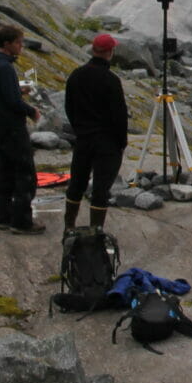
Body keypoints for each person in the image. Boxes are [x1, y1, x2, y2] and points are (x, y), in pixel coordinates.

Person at [0, 21, 42, 234]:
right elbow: (12, 101)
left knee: (4, 170)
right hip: (11, 125)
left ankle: (3, 217)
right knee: (24, 172)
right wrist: (31, 111)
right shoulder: (4, 66)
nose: (21, 46)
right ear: (7, 43)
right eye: (18, 42)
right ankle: (22, 222)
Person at [62, 32, 129, 236]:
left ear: (93, 50)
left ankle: (69, 227)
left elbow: (69, 107)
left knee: (77, 184)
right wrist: (121, 142)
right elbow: (119, 115)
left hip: (83, 139)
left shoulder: (76, 74)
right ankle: (95, 231)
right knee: (101, 189)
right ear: (110, 52)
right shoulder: (111, 80)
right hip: (107, 142)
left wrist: (79, 129)